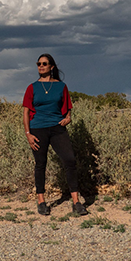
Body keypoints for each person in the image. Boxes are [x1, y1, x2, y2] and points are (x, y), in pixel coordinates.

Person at [22, 53, 87, 216]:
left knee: (69, 159)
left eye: (44, 63)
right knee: (40, 163)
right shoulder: (32, 87)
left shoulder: (61, 86)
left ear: (51, 67)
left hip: (57, 128)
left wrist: (68, 118)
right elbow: (25, 112)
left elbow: (68, 108)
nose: (41, 66)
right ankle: (41, 202)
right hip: (37, 129)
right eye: (38, 64)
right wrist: (28, 133)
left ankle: (76, 202)